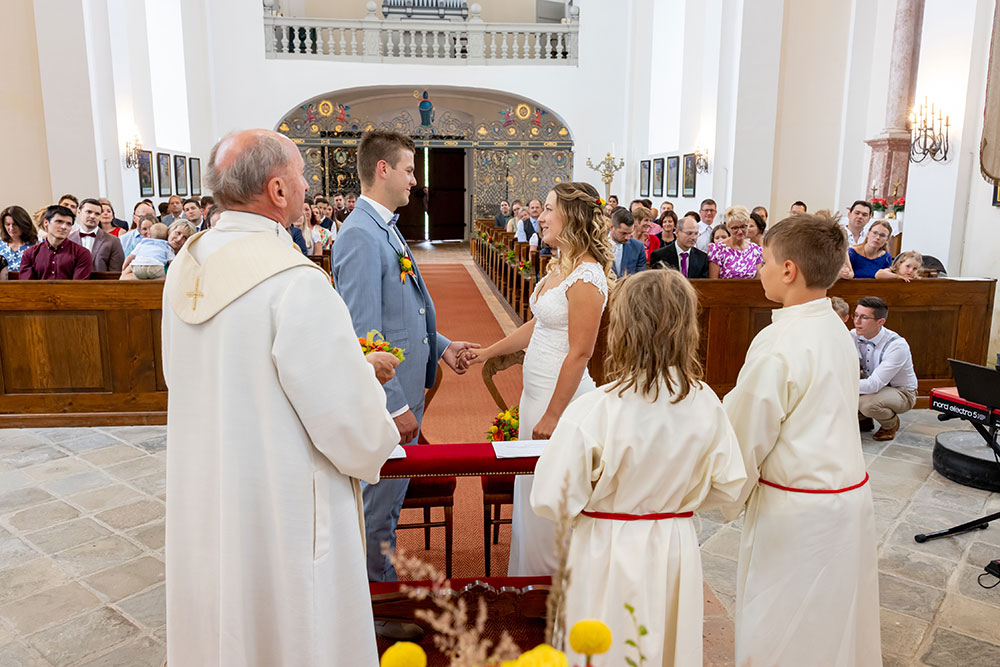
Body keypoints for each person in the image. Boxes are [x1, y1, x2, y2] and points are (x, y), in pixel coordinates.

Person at [163, 129, 400, 666]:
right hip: (283, 494)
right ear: (275, 190)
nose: (307, 184)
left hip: (212, 480)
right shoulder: (294, 280)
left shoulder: (187, 266)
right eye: (299, 175)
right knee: (295, 622)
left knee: (226, 614)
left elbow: (186, 375)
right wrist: (366, 389)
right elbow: (348, 422)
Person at [532, 270, 746, 667]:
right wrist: (675, 499)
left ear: (621, 329)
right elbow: (729, 483)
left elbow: (550, 497)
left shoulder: (596, 408)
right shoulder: (705, 402)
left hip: (606, 544)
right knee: (666, 644)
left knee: (606, 644)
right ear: (688, 329)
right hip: (673, 542)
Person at [331, 129, 477, 639]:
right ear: (384, 170)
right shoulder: (359, 234)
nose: (417, 181)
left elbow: (404, 313)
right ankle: (377, 607)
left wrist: (442, 345)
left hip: (407, 386)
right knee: (378, 504)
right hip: (387, 399)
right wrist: (391, 404)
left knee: (387, 502)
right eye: (411, 170)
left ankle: (378, 594)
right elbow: (362, 329)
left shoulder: (385, 228)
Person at [723, 211, 881, 665]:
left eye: (764, 261)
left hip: (796, 512)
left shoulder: (780, 343)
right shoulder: (835, 326)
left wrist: (708, 485)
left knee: (779, 631)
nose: (759, 269)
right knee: (834, 628)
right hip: (847, 499)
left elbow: (745, 433)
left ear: (788, 270)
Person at [466, 181, 613, 577]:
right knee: (534, 492)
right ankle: (532, 579)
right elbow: (538, 326)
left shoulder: (587, 277)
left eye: (549, 209)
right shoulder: (559, 266)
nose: (541, 216)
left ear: (574, 218)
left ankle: (558, 586)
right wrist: (488, 351)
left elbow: (580, 351)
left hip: (560, 401)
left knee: (556, 494)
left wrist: (552, 414)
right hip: (536, 396)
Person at [853, 296, 917, 441]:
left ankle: (891, 424)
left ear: (880, 322)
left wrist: (841, 385)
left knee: (866, 404)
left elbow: (874, 385)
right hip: (874, 384)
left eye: (864, 317)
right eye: (856, 315)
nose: (856, 321)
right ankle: (864, 420)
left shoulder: (897, 345)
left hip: (902, 392)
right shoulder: (854, 335)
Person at [19, 205, 91, 280]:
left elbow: (79, 287)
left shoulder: (82, 253)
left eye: (68, 224)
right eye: (59, 221)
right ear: (46, 222)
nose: (64, 227)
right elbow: (27, 286)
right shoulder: (30, 254)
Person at [69, 198, 125, 272]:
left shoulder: (113, 241)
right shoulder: (69, 239)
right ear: (79, 212)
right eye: (89, 212)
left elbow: (116, 273)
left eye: (97, 214)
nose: (92, 216)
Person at [708, 205, 762, 279]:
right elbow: (713, 282)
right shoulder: (717, 249)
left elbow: (757, 282)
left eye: (743, 226)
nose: (740, 231)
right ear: (728, 228)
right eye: (735, 228)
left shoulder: (756, 250)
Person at [649, 213, 710, 279]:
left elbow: (703, 285)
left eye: (696, 233)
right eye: (689, 233)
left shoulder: (702, 258)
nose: (693, 237)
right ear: (677, 232)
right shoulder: (659, 255)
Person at [608, 206, 645, 277]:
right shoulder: (598, 246)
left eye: (630, 233)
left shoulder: (638, 247)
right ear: (612, 227)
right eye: (623, 233)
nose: (627, 237)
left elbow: (641, 278)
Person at [1, 205, 40, 272]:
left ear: (24, 224)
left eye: (15, 224)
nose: (11, 228)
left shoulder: (37, 245)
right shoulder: (1, 244)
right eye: (7, 224)